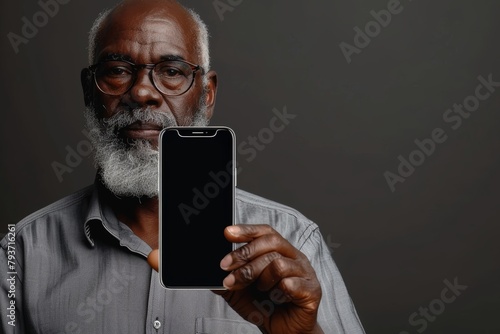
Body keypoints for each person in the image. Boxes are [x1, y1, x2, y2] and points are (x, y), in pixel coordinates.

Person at [0, 0, 365, 333]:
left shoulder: (293, 242)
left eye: (171, 71)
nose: (142, 92)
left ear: (206, 94)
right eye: (117, 70)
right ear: (89, 90)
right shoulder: (21, 257)